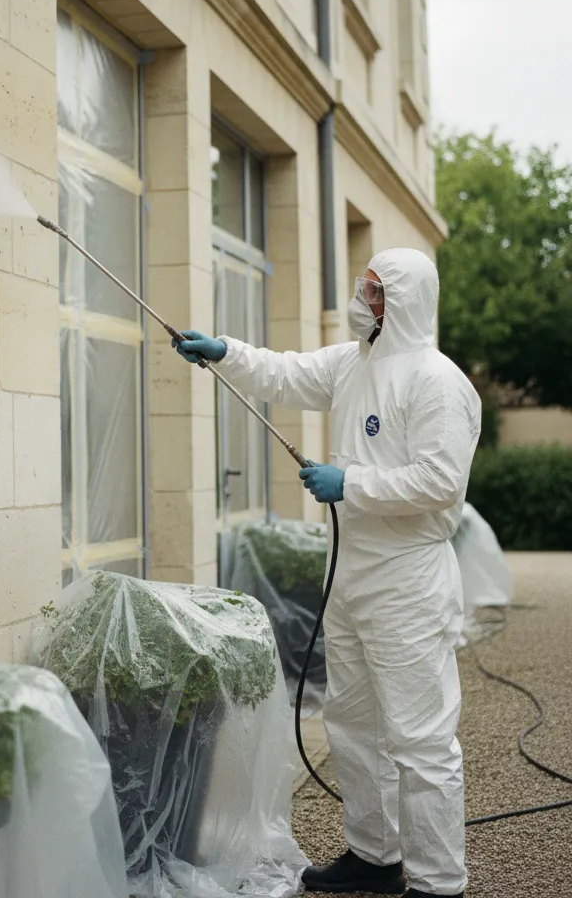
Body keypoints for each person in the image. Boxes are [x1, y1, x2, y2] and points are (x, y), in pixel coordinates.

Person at [173, 248, 479, 898]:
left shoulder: (437, 382)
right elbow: (284, 374)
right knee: (353, 723)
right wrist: (224, 351)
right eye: (363, 285)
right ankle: (375, 856)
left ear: (399, 300)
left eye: (372, 289)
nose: (359, 298)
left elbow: (442, 481)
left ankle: (438, 880)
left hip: (407, 582)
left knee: (419, 738)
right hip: (353, 577)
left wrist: (352, 482)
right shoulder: (350, 364)